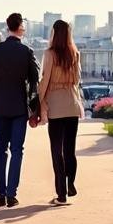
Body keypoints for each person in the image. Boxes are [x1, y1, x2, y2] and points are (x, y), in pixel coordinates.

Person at [0, 12, 40, 208]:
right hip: (18, 107)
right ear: (21, 29)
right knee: (17, 150)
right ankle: (11, 194)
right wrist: (34, 106)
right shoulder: (26, 51)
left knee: (1, 149)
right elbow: (35, 80)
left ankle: (0, 193)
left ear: (8, 27)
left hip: (0, 106)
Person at [37, 19, 84, 205]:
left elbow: (45, 80)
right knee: (70, 150)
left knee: (57, 151)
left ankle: (61, 194)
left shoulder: (49, 54)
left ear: (54, 34)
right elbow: (78, 80)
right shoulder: (75, 54)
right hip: (72, 104)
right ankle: (71, 183)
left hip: (56, 105)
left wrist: (40, 102)